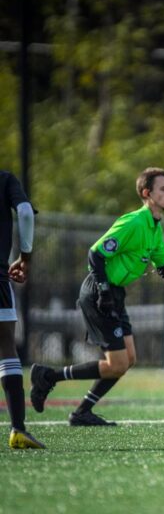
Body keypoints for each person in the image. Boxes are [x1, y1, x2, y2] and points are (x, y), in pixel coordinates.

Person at [30, 168, 164, 426]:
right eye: (163, 189)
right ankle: (49, 376)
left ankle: (81, 411)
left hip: (115, 295)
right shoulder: (134, 222)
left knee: (127, 360)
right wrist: (103, 291)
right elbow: (95, 254)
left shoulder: (154, 229)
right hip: (99, 293)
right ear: (147, 194)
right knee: (118, 363)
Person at [1, 171, 45, 449]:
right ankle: (18, 430)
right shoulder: (5, 179)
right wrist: (26, 256)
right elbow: (26, 213)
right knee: (5, 346)